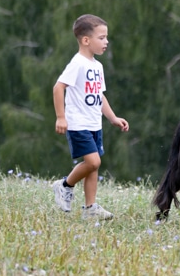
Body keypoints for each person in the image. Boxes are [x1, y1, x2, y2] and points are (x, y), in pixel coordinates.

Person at [51, 14, 130, 219]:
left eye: (106, 37)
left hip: (95, 124)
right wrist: (61, 117)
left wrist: (113, 118)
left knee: (92, 167)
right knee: (93, 162)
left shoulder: (97, 66)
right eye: (101, 38)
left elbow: (99, 95)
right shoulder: (77, 63)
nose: (106, 41)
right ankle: (64, 185)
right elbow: (58, 87)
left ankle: (90, 208)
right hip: (78, 123)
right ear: (86, 40)